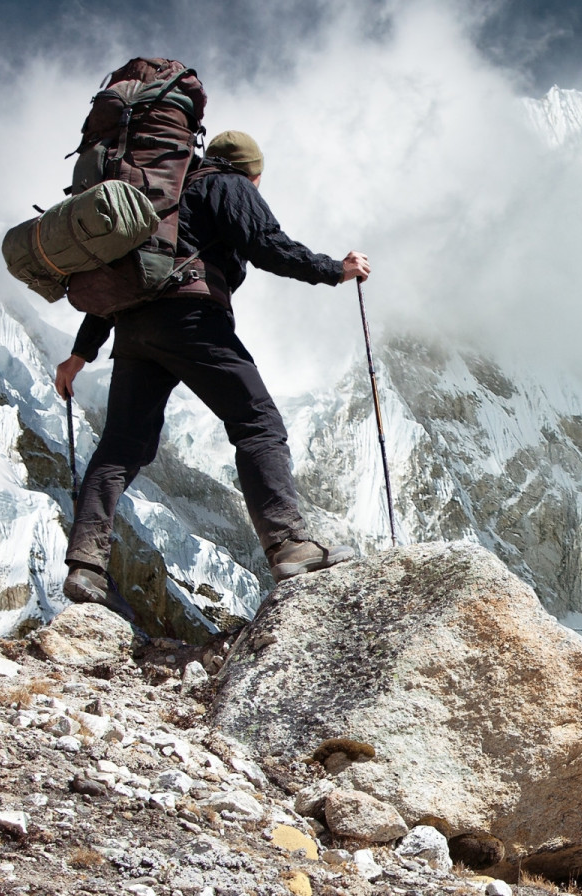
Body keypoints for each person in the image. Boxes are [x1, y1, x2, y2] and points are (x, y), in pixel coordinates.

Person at [54, 129, 372, 605]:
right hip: (193, 319)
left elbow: (116, 285)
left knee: (121, 446)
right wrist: (333, 269)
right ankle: (288, 543)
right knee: (257, 421)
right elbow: (267, 244)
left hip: (134, 330)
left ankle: (86, 564)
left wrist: (81, 355)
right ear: (254, 173)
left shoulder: (157, 200)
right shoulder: (227, 184)